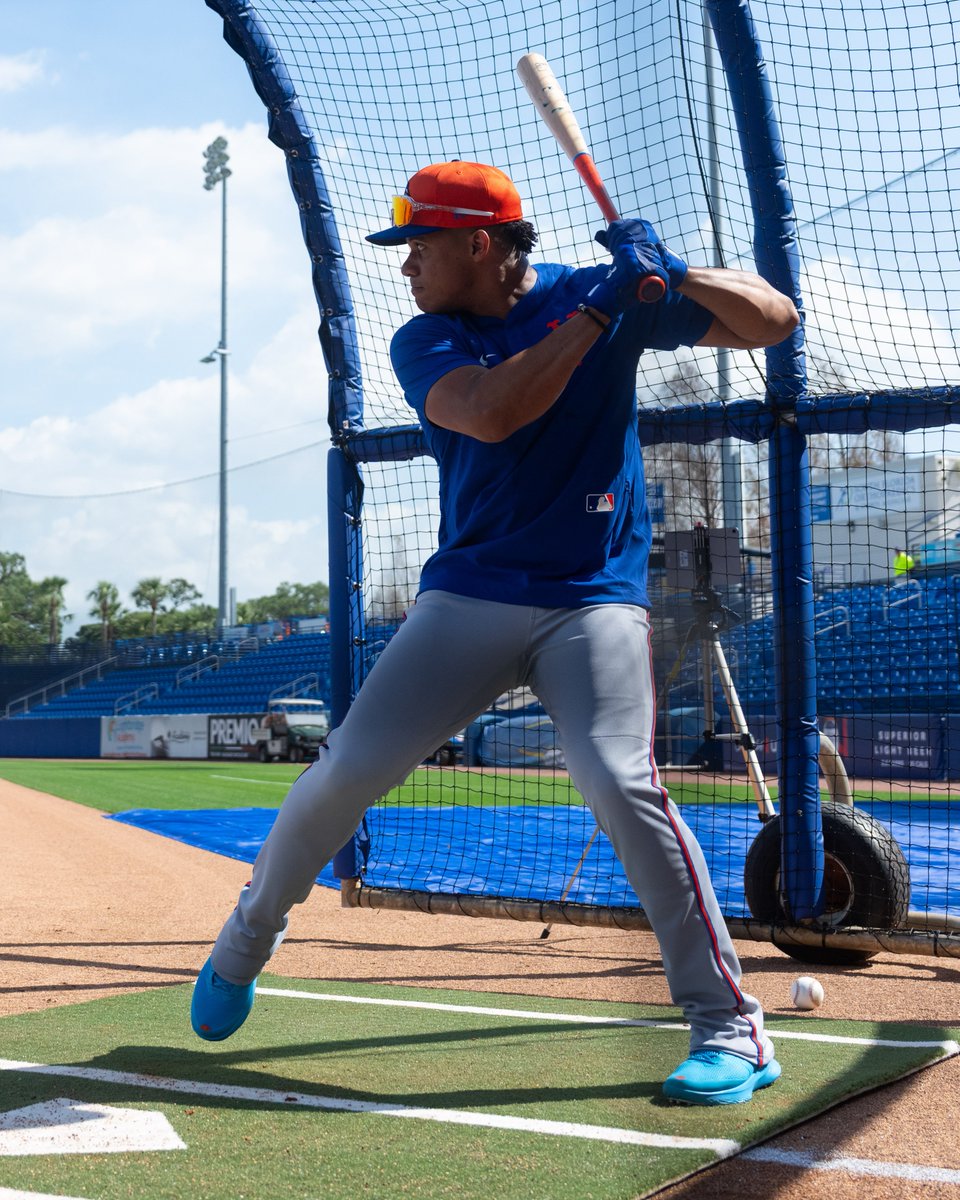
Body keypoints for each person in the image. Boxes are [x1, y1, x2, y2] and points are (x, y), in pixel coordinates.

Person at [191, 160, 799, 1107]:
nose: (404, 267)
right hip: (469, 593)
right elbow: (493, 410)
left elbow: (773, 320)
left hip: (593, 595)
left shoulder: (605, 293)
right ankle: (245, 941)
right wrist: (603, 310)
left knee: (617, 778)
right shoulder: (429, 335)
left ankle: (731, 1027)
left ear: (478, 243)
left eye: (418, 246)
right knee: (346, 767)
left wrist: (674, 274)